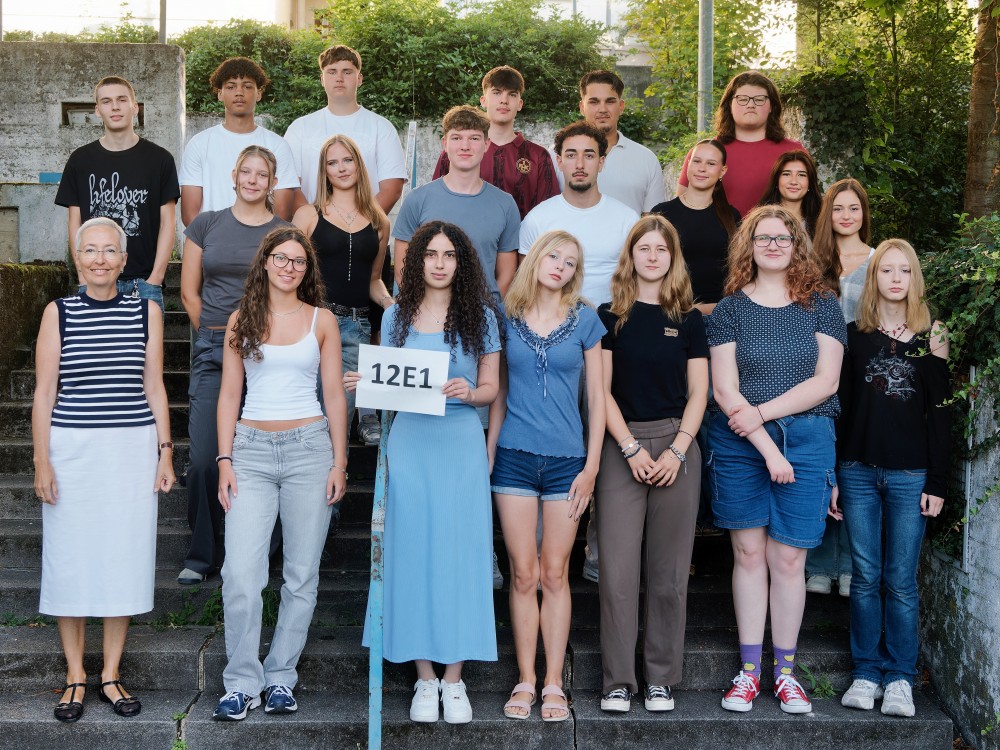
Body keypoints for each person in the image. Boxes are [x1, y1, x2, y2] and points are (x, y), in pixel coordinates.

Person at [353, 221, 502, 725]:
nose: (439, 263)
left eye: (449, 255)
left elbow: (491, 388)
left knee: (461, 553)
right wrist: (363, 382)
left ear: (462, 263)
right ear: (416, 261)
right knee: (411, 551)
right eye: (431, 254)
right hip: (411, 442)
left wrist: (471, 392)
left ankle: (454, 678)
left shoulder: (481, 316)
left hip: (460, 440)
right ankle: (424, 676)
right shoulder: (396, 314)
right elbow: (386, 382)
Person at [32, 217, 175, 722]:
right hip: (71, 450)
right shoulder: (58, 313)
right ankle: (75, 675)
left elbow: (154, 386)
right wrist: (42, 460)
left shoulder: (146, 310)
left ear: (123, 259)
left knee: (123, 558)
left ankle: (111, 675)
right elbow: (44, 393)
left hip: (131, 450)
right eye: (90, 250)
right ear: (77, 257)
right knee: (69, 559)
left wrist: (165, 451)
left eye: (109, 250)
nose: (99, 259)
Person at [708, 205, 846, 715]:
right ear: (748, 246)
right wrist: (766, 446)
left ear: (796, 245)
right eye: (762, 238)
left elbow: (826, 382)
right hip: (740, 444)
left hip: (807, 439)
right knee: (748, 554)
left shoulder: (822, 304)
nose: (772, 245)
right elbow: (725, 390)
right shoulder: (729, 310)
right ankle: (749, 674)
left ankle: (785, 675)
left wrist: (764, 414)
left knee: (789, 559)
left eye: (782, 238)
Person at [212, 226, 348, 720]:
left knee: (300, 573)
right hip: (250, 450)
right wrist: (224, 459)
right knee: (240, 573)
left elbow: (333, 394)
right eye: (282, 258)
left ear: (307, 269)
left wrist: (339, 461)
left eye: (299, 261)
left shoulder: (322, 320)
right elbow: (230, 394)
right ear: (265, 262)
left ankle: (280, 677)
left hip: (309, 449)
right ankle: (241, 682)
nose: (290, 267)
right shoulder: (240, 319)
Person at [488, 230, 606, 722]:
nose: (560, 265)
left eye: (570, 261)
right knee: (523, 573)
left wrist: (592, 468)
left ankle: (554, 682)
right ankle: (525, 679)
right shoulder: (506, 317)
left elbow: (598, 399)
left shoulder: (586, 319)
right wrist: (489, 455)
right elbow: (498, 392)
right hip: (514, 457)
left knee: (555, 573)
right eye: (553, 256)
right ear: (535, 259)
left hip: (567, 463)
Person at [596, 215, 708, 713]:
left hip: (676, 444)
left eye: (662, 249)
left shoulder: (690, 320)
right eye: (645, 247)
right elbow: (600, 392)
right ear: (631, 255)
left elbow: (700, 392)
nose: (653, 256)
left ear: (673, 257)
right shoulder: (608, 317)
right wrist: (629, 447)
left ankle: (660, 678)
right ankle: (618, 681)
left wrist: (678, 449)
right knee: (618, 574)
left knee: (669, 573)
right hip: (621, 446)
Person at [835, 239, 949, 719]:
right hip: (857, 472)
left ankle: (900, 677)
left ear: (914, 277)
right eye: (887, 270)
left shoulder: (933, 335)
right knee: (864, 577)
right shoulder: (853, 336)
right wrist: (834, 476)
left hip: (910, 476)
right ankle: (866, 672)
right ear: (873, 276)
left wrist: (938, 482)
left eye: (904, 270)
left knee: (901, 580)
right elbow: (841, 410)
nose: (896, 278)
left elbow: (940, 415)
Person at [521, 119, 638, 583]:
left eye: (590, 154)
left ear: (602, 162)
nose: (580, 163)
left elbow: (635, 283)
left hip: (607, 340)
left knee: (603, 436)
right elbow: (524, 286)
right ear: (559, 161)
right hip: (547, 343)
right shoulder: (539, 218)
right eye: (571, 154)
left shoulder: (625, 218)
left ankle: (595, 548)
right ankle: (534, 551)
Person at [177, 146, 290, 586]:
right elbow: (189, 292)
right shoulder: (206, 224)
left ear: (272, 182)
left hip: (268, 354)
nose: (253, 180)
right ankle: (202, 555)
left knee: (269, 457)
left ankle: (262, 555)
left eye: (262, 174)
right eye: (246, 171)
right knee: (206, 458)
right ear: (234, 175)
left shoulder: (283, 232)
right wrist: (218, 337)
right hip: (213, 348)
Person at [293, 134, 393, 443]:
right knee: (309, 415)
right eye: (332, 162)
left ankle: (339, 468)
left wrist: (390, 303)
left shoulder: (379, 221)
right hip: (312, 325)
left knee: (339, 422)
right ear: (324, 171)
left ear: (359, 165)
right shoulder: (308, 215)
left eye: (347, 160)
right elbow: (291, 273)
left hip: (356, 327)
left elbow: (374, 279)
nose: (341, 168)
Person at [804, 178, 876, 595]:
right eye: (838, 208)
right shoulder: (811, 262)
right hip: (816, 375)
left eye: (854, 208)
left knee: (853, 464)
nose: (846, 216)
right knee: (821, 464)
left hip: (864, 375)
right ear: (826, 214)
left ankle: (848, 566)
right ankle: (818, 564)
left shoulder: (879, 259)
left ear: (864, 213)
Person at [56, 76, 179, 310]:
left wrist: (155, 278)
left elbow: (168, 223)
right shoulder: (80, 160)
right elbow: (75, 224)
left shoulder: (160, 160)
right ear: (97, 110)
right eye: (106, 101)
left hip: (144, 284)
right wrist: (83, 275)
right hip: (94, 280)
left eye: (122, 100)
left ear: (135, 107)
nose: (115, 107)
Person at [393, 105, 520, 303]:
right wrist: (425, 312)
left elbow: (506, 274)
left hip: (483, 316)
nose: (465, 146)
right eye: (456, 138)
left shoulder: (505, 204)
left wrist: (489, 313)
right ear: (445, 143)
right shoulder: (417, 200)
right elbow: (403, 269)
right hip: (428, 315)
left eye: (474, 138)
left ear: (487, 144)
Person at [283, 44, 406, 213]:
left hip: (367, 225)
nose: (339, 78)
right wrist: (314, 222)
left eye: (347, 72)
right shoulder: (299, 128)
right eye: (332, 72)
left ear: (359, 79)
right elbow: (289, 186)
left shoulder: (382, 127)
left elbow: (392, 188)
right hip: (312, 227)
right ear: (322, 79)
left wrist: (360, 224)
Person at [179, 56, 299, 224]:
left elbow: (282, 214)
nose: (239, 92)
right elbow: (190, 215)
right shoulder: (199, 144)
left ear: (259, 94)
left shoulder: (278, 145)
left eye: (247, 86)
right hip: (212, 239)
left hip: (263, 240)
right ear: (220, 94)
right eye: (231, 86)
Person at [432, 65, 559, 219]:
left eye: (512, 94)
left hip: (521, 235)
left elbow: (550, 213)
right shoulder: (456, 152)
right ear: (483, 101)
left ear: (520, 104)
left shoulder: (538, 156)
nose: (504, 100)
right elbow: (436, 203)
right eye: (497, 92)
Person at [677, 71, 805, 217]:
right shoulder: (705, 153)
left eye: (759, 99)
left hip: (777, 231)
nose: (751, 105)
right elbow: (683, 209)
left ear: (772, 106)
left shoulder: (794, 152)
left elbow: (810, 207)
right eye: (742, 99)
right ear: (729, 105)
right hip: (714, 232)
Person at [650, 139, 739, 316]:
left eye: (711, 164)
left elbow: (740, 272)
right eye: (697, 161)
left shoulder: (732, 216)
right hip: (671, 313)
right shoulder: (662, 213)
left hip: (720, 315)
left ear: (722, 171)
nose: (702, 168)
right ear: (688, 165)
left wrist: (709, 309)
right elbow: (648, 267)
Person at [573, 69, 666, 213]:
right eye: (594, 102)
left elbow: (653, 221)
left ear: (621, 107)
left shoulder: (646, 159)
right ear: (582, 107)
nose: (602, 109)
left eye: (610, 101)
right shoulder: (558, 155)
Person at [757, 150, 823, 238]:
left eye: (801, 175)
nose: (793, 181)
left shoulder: (823, 222)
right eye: (786, 174)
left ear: (810, 183)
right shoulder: (758, 221)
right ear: (777, 180)